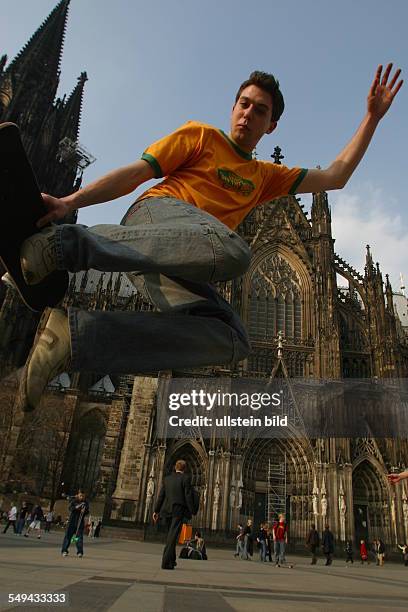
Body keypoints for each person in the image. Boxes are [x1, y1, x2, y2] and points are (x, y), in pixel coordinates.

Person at [14, 65, 402, 413]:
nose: (248, 113)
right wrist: (71, 202)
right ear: (233, 108)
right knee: (235, 250)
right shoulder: (200, 137)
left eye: (260, 110)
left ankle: (74, 339)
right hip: (152, 221)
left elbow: (336, 176)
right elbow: (136, 174)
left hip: (174, 262)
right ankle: (62, 246)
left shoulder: (265, 177)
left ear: (271, 126)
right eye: (244, 104)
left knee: (233, 340)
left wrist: (371, 118)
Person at [153, 459, 195, 570]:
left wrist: (156, 511)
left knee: (170, 537)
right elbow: (188, 496)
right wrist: (192, 510)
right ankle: (165, 562)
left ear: (175, 467)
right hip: (178, 511)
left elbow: (161, 496)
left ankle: (172, 561)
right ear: (184, 469)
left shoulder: (167, 479)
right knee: (172, 537)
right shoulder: (186, 478)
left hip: (166, 511)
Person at [61, 491, 90, 557]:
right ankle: (64, 550)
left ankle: (79, 552)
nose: (81, 497)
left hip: (80, 523)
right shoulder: (74, 501)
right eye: (80, 496)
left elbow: (87, 511)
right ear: (78, 495)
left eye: (83, 496)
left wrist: (84, 511)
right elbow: (70, 508)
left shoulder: (86, 503)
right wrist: (76, 507)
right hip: (72, 521)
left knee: (79, 537)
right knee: (68, 536)